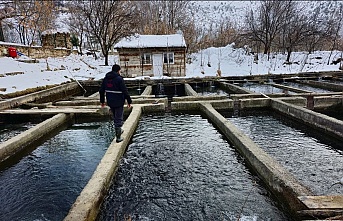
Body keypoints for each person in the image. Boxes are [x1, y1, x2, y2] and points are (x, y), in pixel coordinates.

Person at [99, 64, 132, 142]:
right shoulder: (119, 79)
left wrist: (102, 101)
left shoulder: (106, 78)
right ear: (118, 71)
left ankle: (119, 130)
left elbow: (101, 91)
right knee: (118, 118)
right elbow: (125, 91)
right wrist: (129, 101)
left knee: (115, 117)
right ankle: (118, 138)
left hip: (110, 101)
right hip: (119, 101)